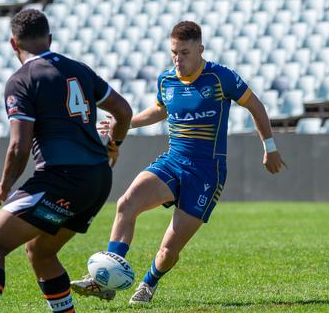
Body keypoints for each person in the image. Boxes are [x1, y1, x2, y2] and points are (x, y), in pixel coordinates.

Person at [71, 20, 286, 305]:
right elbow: (159, 111)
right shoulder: (167, 80)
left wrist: (269, 147)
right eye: (174, 52)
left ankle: (148, 284)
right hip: (173, 161)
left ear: (200, 49)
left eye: (184, 52)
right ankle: (103, 280)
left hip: (207, 173)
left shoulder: (221, 77)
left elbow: (255, 106)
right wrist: (123, 123)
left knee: (168, 250)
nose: (177, 58)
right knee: (126, 203)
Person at [0, 9, 132, 313]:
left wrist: (4, 185)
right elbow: (123, 111)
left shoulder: (21, 80)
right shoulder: (79, 70)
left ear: (12, 43)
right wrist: (114, 144)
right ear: (50, 38)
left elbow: (19, 146)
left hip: (61, 178)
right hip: (97, 180)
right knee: (41, 252)